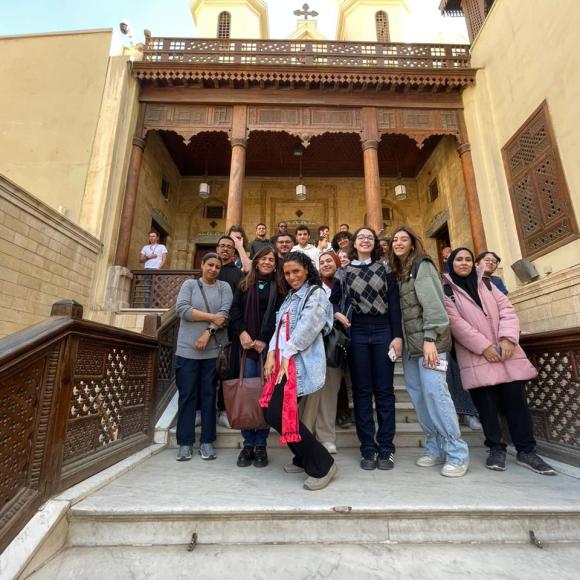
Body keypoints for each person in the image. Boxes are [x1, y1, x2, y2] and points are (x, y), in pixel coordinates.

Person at [443, 248, 556, 475]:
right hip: (477, 356)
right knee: (487, 408)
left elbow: (507, 310)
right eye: (459, 260)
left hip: (507, 353)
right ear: (451, 264)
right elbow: (456, 324)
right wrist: (484, 347)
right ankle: (496, 448)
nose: (463, 263)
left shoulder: (487, 283)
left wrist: (507, 339)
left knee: (517, 405)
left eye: (467, 259)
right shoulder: (446, 291)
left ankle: (526, 451)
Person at [389, 226, 469, 478]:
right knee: (419, 397)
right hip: (411, 348)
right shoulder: (400, 271)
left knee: (436, 394)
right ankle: (435, 447)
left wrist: (430, 338)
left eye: (404, 239)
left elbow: (435, 305)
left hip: (428, 344)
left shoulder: (422, 265)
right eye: (395, 240)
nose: (398, 243)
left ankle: (457, 452)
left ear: (413, 243)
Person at [261, 251, 336, 491]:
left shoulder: (317, 293)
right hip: (281, 362)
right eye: (287, 273)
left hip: (299, 363)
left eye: (296, 271)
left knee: (275, 412)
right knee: (273, 411)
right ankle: (303, 457)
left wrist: (287, 352)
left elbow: (308, 328)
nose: (292, 276)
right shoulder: (289, 298)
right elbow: (278, 328)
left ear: (307, 270)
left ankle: (323, 464)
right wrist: (272, 353)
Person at [331, 227, 403, 471]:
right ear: (354, 243)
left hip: (383, 329)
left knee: (384, 391)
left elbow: (394, 304)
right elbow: (331, 303)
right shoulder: (343, 272)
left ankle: (386, 448)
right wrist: (336, 313)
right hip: (357, 330)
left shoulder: (386, 269)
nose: (364, 240)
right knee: (361, 392)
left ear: (375, 244)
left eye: (369, 238)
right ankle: (368, 449)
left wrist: (397, 336)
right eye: (360, 237)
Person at [174, 253, 233, 461]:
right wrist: (211, 317)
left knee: (209, 396)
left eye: (217, 266)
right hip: (187, 351)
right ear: (202, 265)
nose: (213, 269)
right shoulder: (189, 285)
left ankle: (207, 441)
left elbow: (225, 313)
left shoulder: (224, 287)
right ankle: (185, 442)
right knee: (187, 396)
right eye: (210, 265)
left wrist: (207, 332)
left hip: (212, 352)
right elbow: (182, 309)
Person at [229, 247, 280, 469]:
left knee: (264, 397)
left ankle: (261, 445)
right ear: (256, 261)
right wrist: (242, 333)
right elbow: (235, 310)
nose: (268, 262)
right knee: (248, 396)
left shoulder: (279, 288)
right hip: (247, 348)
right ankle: (248, 443)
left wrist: (263, 338)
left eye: (272, 260)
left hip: (267, 350)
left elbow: (279, 316)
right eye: (264, 259)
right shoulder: (244, 283)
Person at [140, 232, 168, 307]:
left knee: (156, 289)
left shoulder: (162, 247)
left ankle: (155, 306)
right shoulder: (145, 247)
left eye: (153, 236)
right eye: (150, 236)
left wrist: (158, 268)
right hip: (147, 269)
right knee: (147, 289)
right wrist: (148, 257)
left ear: (157, 238)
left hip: (156, 270)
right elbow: (141, 260)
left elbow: (164, 259)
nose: (151, 238)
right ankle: (147, 307)